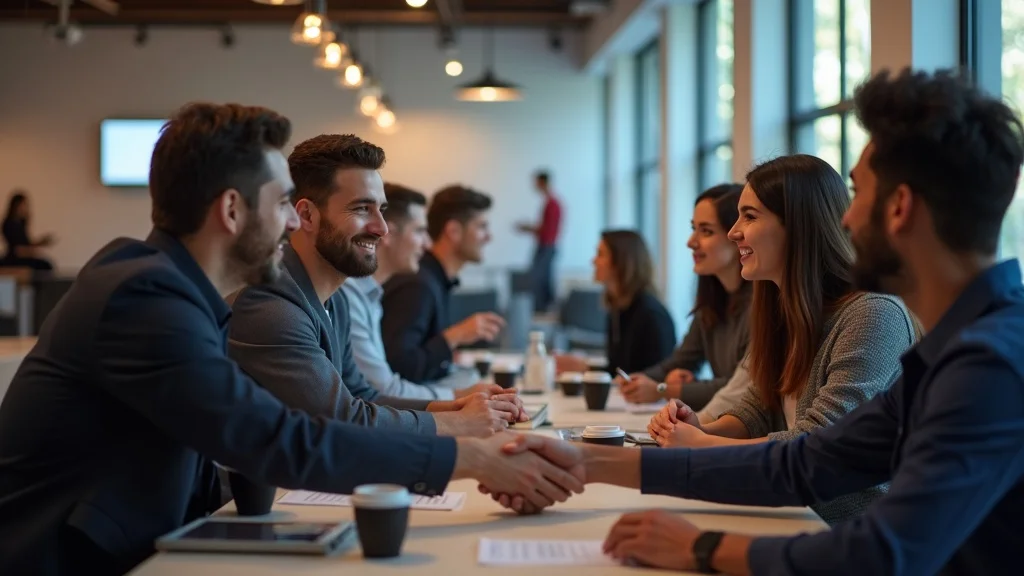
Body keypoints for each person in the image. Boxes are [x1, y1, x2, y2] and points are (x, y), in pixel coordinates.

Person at [0, 103, 584, 576]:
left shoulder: (167, 288)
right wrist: (468, 454)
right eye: (282, 203)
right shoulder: (142, 297)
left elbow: (297, 420)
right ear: (232, 210)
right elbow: (283, 440)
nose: (291, 224)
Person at [486, 67, 1024, 576]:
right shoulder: (961, 347)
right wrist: (585, 461)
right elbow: (809, 461)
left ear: (900, 207)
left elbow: (882, 551)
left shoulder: (989, 364)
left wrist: (701, 546)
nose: (844, 217)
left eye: (857, 194)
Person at [649, 154, 917, 524]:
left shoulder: (874, 314)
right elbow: (759, 407)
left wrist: (702, 446)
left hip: (848, 532)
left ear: (799, 226)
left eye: (750, 216)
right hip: (789, 512)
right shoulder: (782, 307)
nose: (734, 232)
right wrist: (700, 428)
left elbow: (819, 442)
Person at [228, 135, 519, 436]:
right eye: (361, 209)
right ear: (307, 216)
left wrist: (456, 407)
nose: (381, 228)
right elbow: (341, 419)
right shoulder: (272, 307)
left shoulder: (334, 299)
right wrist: (456, 423)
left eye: (380, 209)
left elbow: (362, 396)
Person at [342, 182, 488, 400]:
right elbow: (390, 384)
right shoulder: (414, 285)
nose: (428, 243)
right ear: (387, 233)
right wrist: (458, 397)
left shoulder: (371, 295)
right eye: (419, 231)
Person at [618, 184, 752, 419]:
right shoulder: (712, 301)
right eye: (694, 229)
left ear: (737, 236)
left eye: (706, 231)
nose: (691, 241)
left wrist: (663, 389)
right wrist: (639, 380)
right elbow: (681, 360)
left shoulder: (762, 306)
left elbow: (738, 388)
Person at [381, 184, 505, 383]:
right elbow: (400, 367)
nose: (489, 237)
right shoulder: (418, 284)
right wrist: (454, 337)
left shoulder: (433, 280)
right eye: (482, 226)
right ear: (454, 231)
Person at [556, 230, 676, 375]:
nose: (593, 261)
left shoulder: (652, 315)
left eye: (600, 254)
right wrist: (583, 366)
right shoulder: (618, 310)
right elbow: (618, 371)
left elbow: (656, 378)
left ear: (620, 262)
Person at [516, 169, 562, 313]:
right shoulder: (550, 203)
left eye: (536, 182)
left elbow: (547, 230)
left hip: (546, 246)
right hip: (546, 246)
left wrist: (527, 228)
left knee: (539, 280)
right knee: (543, 279)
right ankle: (543, 310)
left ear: (542, 182)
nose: (534, 185)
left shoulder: (553, 204)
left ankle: (542, 311)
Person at [1, 190, 55, 270]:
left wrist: (41, 243)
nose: (26, 208)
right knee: (46, 266)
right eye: (24, 205)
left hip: (20, 257)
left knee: (46, 265)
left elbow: (25, 244)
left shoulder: (20, 224)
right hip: (14, 259)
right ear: (17, 206)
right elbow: (18, 249)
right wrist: (34, 249)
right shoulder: (9, 224)